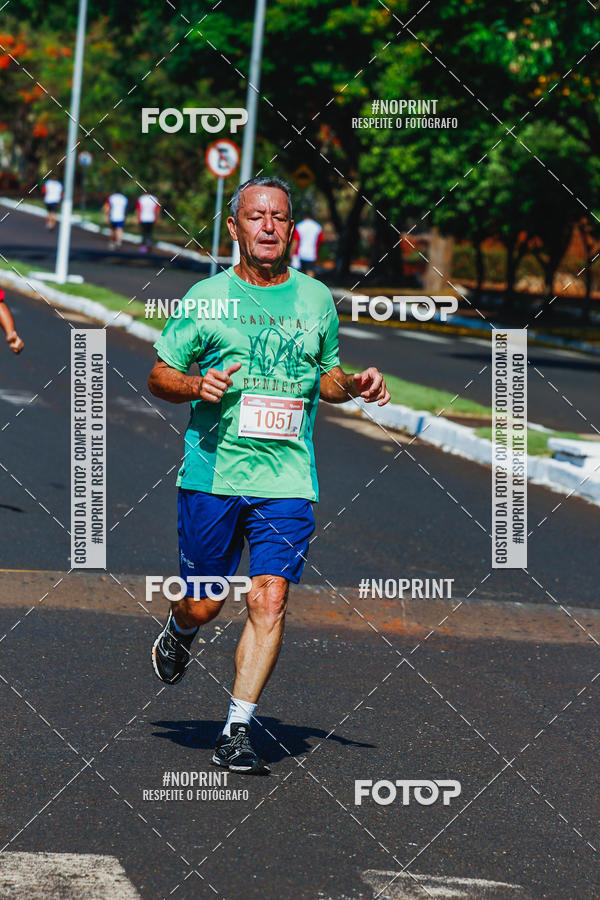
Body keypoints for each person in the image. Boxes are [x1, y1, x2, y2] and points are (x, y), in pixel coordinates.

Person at [147, 176, 389, 775]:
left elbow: (327, 378)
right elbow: (159, 375)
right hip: (213, 473)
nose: (268, 227)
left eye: (278, 217)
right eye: (255, 216)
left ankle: (237, 729)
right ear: (234, 227)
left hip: (287, 479)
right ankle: (180, 628)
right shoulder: (207, 298)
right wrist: (194, 384)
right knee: (205, 604)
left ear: (291, 230)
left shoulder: (315, 299)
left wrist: (354, 384)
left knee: (270, 597)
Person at [290, 212, 324, 277]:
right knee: (310, 271)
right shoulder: (317, 227)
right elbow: (320, 241)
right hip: (311, 253)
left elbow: (295, 241)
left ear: (304, 217)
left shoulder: (300, 226)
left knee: (299, 273)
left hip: (299, 253)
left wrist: (291, 252)